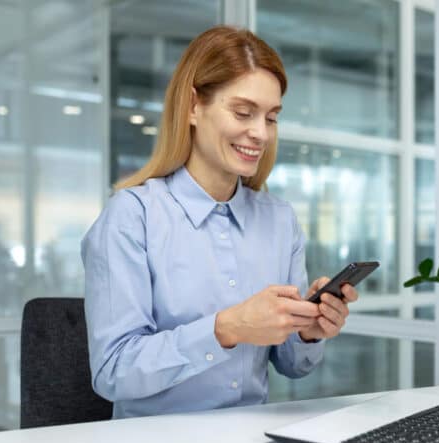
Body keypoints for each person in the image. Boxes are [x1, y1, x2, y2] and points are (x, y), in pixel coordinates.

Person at [81, 26, 358, 419]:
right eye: (243, 113)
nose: (260, 134)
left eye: (271, 117)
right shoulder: (132, 216)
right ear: (193, 106)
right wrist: (226, 329)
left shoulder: (279, 220)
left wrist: (308, 330)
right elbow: (113, 372)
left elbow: (294, 365)